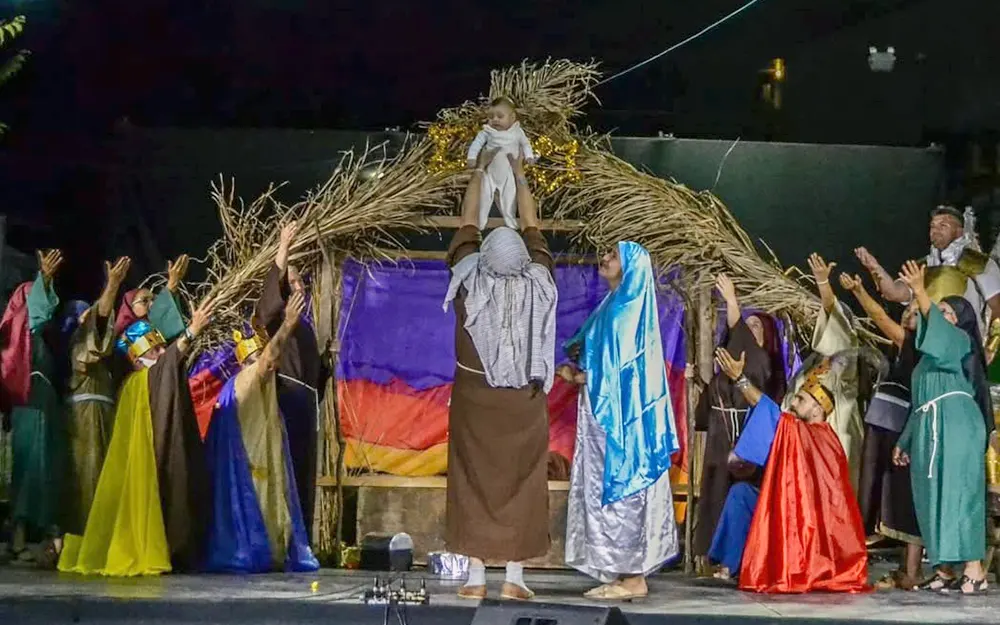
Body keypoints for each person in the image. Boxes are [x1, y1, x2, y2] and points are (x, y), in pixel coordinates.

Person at [443, 146, 557, 600]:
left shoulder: (468, 279)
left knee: (471, 479)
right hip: (523, 403)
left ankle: (474, 579)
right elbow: (533, 227)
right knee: (524, 481)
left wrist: (477, 171)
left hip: (474, 400)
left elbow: (468, 221)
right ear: (524, 262)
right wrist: (520, 177)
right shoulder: (541, 280)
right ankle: (514, 576)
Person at [58, 295, 216, 576]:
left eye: (160, 349)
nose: (160, 354)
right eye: (154, 350)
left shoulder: (145, 379)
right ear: (137, 356)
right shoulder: (138, 382)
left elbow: (170, 367)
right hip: (149, 463)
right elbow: (166, 366)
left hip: (161, 452)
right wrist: (191, 331)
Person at [561, 241, 680, 601]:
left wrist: (580, 378)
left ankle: (631, 576)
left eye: (614, 256)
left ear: (630, 267)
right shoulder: (613, 304)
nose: (605, 259)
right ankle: (621, 570)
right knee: (606, 485)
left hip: (622, 418)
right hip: (602, 412)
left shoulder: (627, 310)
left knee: (623, 485)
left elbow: (619, 370)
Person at [708, 347, 869, 593]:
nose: (792, 402)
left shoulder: (820, 437)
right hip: (788, 504)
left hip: (810, 522)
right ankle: (732, 564)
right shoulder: (797, 430)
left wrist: (741, 380)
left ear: (818, 409)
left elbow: (774, 416)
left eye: (801, 400)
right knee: (741, 494)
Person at [893, 261, 992, 594]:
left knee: (960, 494)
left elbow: (938, 332)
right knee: (931, 497)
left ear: (961, 320)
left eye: (947, 311)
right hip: (929, 426)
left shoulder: (959, 341)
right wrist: (904, 441)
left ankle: (974, 569)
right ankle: (944, 568)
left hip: (957, 425)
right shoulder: (926, 359)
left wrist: (920, 291)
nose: (939, 315)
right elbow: (920, 402)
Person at [204, 290, 319, 573]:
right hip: (249, 476)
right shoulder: (245, 379)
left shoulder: (266, 388)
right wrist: (288, 324)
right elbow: (267, 360)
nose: (275, 364)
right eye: (266, 358)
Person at [692, 274, 785, 571]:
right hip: (720, 437)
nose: (748, 327)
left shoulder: (760, 362)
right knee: (713, 492)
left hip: (744, 438)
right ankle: (711, 556)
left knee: (732, 493)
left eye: (757, 325)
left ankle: (733, 560)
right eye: (748, 322)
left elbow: (739, 335)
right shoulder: (733, 363)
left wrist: (732, 301)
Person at [840, 272, 924, 589]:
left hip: (899, 425)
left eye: (915, 312)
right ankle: (902, 568)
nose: (907, 315)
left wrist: (860, 291)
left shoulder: (915, 342)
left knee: (897, 493)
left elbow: (877, 315)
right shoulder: (899, 347)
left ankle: (908, 570)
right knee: (877, 489)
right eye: (906, 311)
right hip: (883, 420)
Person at [255, 220, 330, 541]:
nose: (301, 288)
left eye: (302, 283)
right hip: (286, 402)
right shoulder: (274, 321)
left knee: (303, 473)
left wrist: (326, 363)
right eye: (295, 282)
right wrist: (283, 247)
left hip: (306, 408)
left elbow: (314, 378)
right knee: (284, 471)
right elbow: (266, 306)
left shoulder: (305, 327)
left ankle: (300, 541)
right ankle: (280, 539)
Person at [856, 205, 1000, 358]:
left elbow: (998, 308)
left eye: (943, 226)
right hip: (923, 345)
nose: (935, 230)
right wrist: (875, 268)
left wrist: (990, 349)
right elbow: (893, 293)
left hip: (961, 347)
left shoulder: (978, 263)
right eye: (932, 226)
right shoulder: (922, 265)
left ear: (959, 231)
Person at [0, 250, 66, 564]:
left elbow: (44, 313)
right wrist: (45, 278)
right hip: (30, 403)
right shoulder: (21, 342)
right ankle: (20, 538)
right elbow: (40, 313)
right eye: (37, 293)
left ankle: (34, 538)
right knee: (29, 470)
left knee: (44, 467)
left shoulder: (39, 341)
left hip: (43, 402)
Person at [63, 257, 131, 538]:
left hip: (104, 414)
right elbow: (99, 324)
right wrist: (113, 285)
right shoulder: (77, 343)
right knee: (88, 475)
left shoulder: (105, 357)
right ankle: (87, 535)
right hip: (86, 417)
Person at [784, 253, 864, 489]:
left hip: (834, 439)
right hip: (803, 442)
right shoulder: (810, 365)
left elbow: (836, 321)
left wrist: (823, 284)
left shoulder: (845, 360)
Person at [465, 96, 537, 230]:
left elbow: (526, 144)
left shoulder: (517, 132)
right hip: (489, 172)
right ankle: (480, 223)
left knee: (510, 197)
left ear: (512, 118)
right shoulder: (487, 131)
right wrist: (472, 158)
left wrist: (529, 156)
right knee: (484, 196)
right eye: (491, 117)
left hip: (508, 173)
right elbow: (476, 144)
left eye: (500, 116)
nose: (495, 120)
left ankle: (510, 221)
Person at [113, 253, 191, 341]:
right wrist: (172, 283)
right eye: (144, 301)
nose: (153, 303)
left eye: (154, 299)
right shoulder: (123, 340)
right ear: (130, 308)